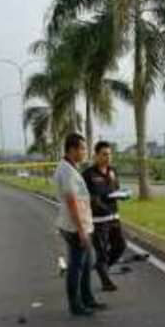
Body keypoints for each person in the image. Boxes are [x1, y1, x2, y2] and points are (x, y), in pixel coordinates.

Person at [53, 133, 106, 316]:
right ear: (72, 149)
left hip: (80, 224)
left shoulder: (70, 168)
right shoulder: (66, 171)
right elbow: (72, 202)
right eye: (82, 148)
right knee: (77, 266)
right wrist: (82, 231)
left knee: (85, 263)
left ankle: (87, 299)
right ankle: (76, 305)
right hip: (75, 226)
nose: (85, 152)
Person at [81, 141, 127, 291]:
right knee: (101, 252)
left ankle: (102, 267)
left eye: (110, 154)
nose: (108, 157)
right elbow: (88, 198)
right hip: (98, 221)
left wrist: (122, 195)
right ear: (96, 156)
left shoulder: (112, 171)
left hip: (114, 218)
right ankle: (106, 282)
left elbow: (116, 189)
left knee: (120, 246)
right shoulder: (88, 175)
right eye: (104, 154)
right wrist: (102, 202)